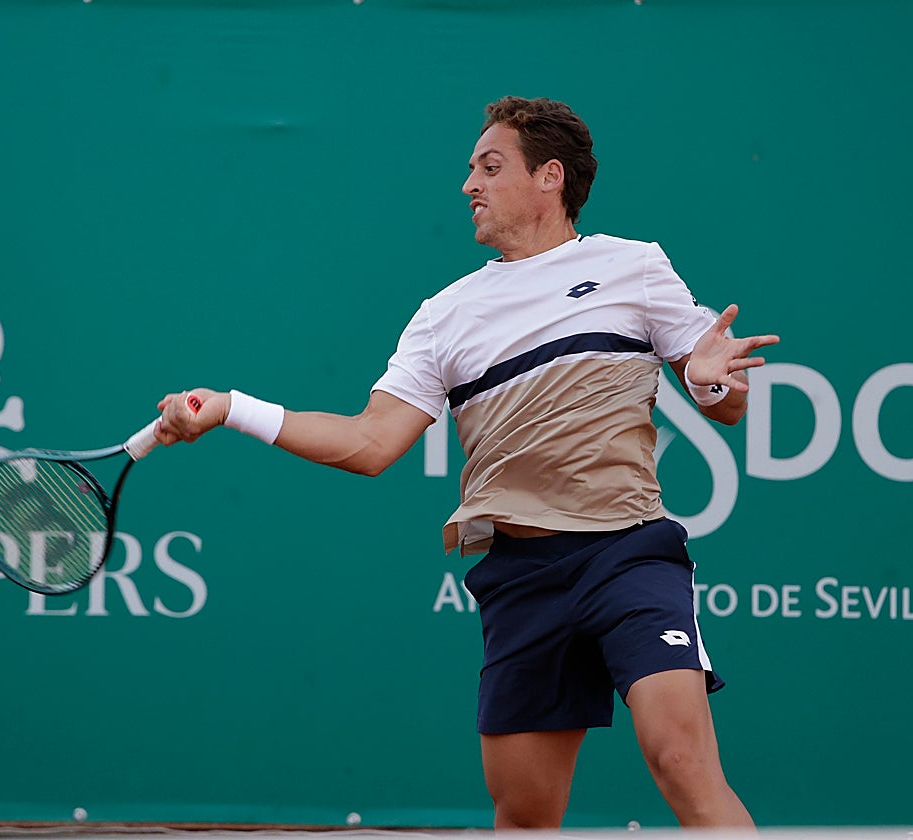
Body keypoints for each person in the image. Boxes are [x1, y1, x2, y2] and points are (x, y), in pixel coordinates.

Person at [156, 96, 776, 831]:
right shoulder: (444, 313)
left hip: (628, 552)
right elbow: (369, 443)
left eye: (489, 166)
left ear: (549, 177)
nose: (468, 185)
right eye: (470, 169)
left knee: (681, 761)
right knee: (524, 814)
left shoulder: (634, 268)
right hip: (522, 575)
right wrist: (232, 406)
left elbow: (728, 403)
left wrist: (707, 377)